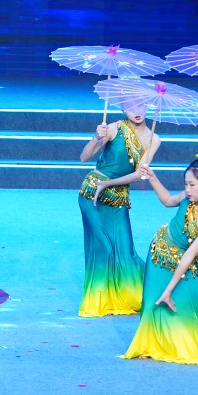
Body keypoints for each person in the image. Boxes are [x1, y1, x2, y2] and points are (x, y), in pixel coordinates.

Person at [120, 154, 198, 373]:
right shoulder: (188, 198)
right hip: (159, 255)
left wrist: (169, 289)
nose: (187, 189)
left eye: (192, 185)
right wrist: (152, 177)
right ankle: (151, 344)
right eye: (186, 184)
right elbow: (168, 201)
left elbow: (188, 256)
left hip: (184, 265)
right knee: (152, 305)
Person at [76, 102, 159, 316]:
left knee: (125, 252)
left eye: (141, 106)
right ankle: (100, 299)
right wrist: (96, 137)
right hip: (92, 195)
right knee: (103, 248)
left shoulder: (154, 139)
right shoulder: (112, 129)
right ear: (123, 109)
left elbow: (140, 174)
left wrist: (108, 184)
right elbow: (84, 157)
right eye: (131, 107)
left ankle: (134, 294)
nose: (137, 112)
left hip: (118, 197)